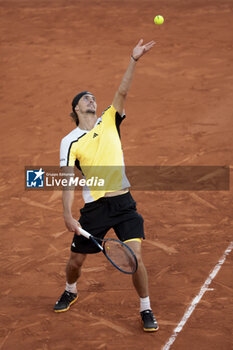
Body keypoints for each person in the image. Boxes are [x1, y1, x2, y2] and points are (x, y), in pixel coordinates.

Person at [54, 39, 159, 332]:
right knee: (76, 260)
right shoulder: (69, 141)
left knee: (136, 258)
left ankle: (146, 308)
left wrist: (134, 60)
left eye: (93, 98)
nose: (92, 100)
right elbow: (67, 179)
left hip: (124, 204)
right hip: (95, 208)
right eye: (85, 98)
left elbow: (123, 90)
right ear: (76, 108)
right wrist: (67, 215)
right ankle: (70, 290)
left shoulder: (110, 119)